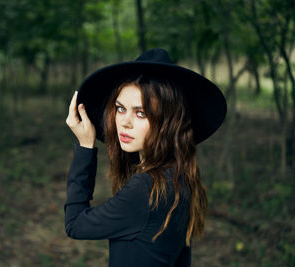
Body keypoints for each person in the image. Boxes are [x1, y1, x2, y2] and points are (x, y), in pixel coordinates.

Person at [65, 48, 227, 266]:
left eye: (141, 113)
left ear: (168, 122)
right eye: (120, 109)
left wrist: (85, 146)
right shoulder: (180, 177)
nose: (125, 122)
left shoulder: (146, 189)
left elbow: (75, 224)